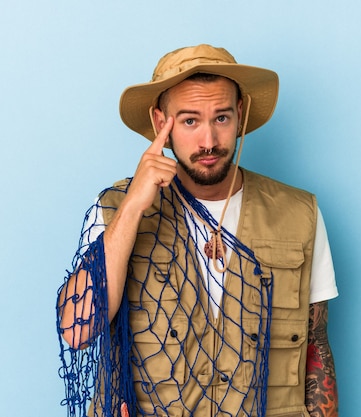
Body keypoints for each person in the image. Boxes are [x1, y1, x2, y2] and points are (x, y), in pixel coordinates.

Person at [57, 44, 339, 417]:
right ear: (161, 123)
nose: (208, 141)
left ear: (240, 114)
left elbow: (315, 349)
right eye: (190, 121)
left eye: (221, 118)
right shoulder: (114, 209)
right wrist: (132, 210)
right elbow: (77, 331)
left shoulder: (300, 214)